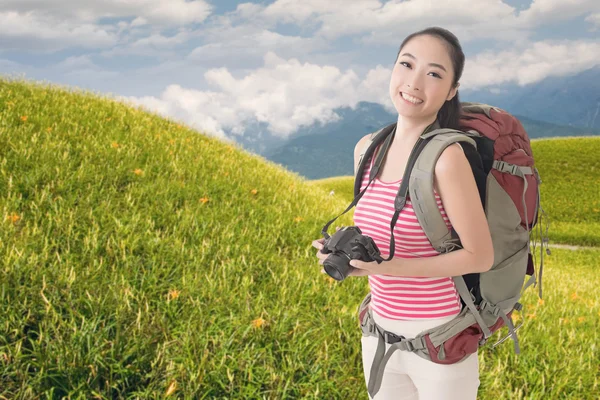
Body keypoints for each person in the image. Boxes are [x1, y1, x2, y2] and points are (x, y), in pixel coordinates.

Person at [311, 27, 494, 400]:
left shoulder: (446, 158)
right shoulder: (367, 149)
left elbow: (480, 256)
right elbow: (377, 236)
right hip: (378, 335)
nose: (414, 81)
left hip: (439, 342)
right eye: (406, 64)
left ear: (451, 90)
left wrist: (386, 267)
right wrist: (341, 253)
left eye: (434, 73)